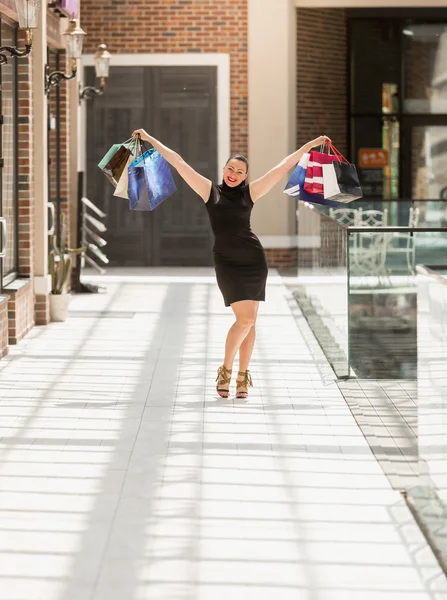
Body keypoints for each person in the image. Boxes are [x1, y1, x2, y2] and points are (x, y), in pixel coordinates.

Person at [132, 128, 330, 398]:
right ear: (224, 169)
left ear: (245, 176)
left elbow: (283, 166)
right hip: (226, 262)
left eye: (239, 171)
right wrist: (150, 139)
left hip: (253, 260)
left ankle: (242, 378)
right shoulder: (209, 191)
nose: (233, 174)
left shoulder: (251, 193)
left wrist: (312, 144)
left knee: (250, 322)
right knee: (245, 319)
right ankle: (226, 369)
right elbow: (178, 162)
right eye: (230, 169)